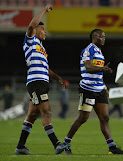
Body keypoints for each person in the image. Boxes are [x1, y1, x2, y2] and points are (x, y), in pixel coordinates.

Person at [62, 29, 123, 155]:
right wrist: (103, 69)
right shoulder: (88, 50)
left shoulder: (99, 52)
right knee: (83, 118)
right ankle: (66, 144)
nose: (104, 38)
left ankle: (112, 147)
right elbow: (88, 67)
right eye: (101, 36)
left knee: (105, 117)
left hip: (99, 88)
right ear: (94, 37)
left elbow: (99, 73)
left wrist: (104, 87)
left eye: (104, 36)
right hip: (88, 88)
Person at [15, 4, 69, 155]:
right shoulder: (30, 40)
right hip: (35, 82)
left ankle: (20, 147)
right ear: (37, 30)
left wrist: (58, 77)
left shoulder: (42, 48)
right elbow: (32, 24)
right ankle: (57, 144)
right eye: (43, 29)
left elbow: (46, 68)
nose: (45, 32)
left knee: (32, 115)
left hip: (43, 82)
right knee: (46, 111)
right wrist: (45, 11)